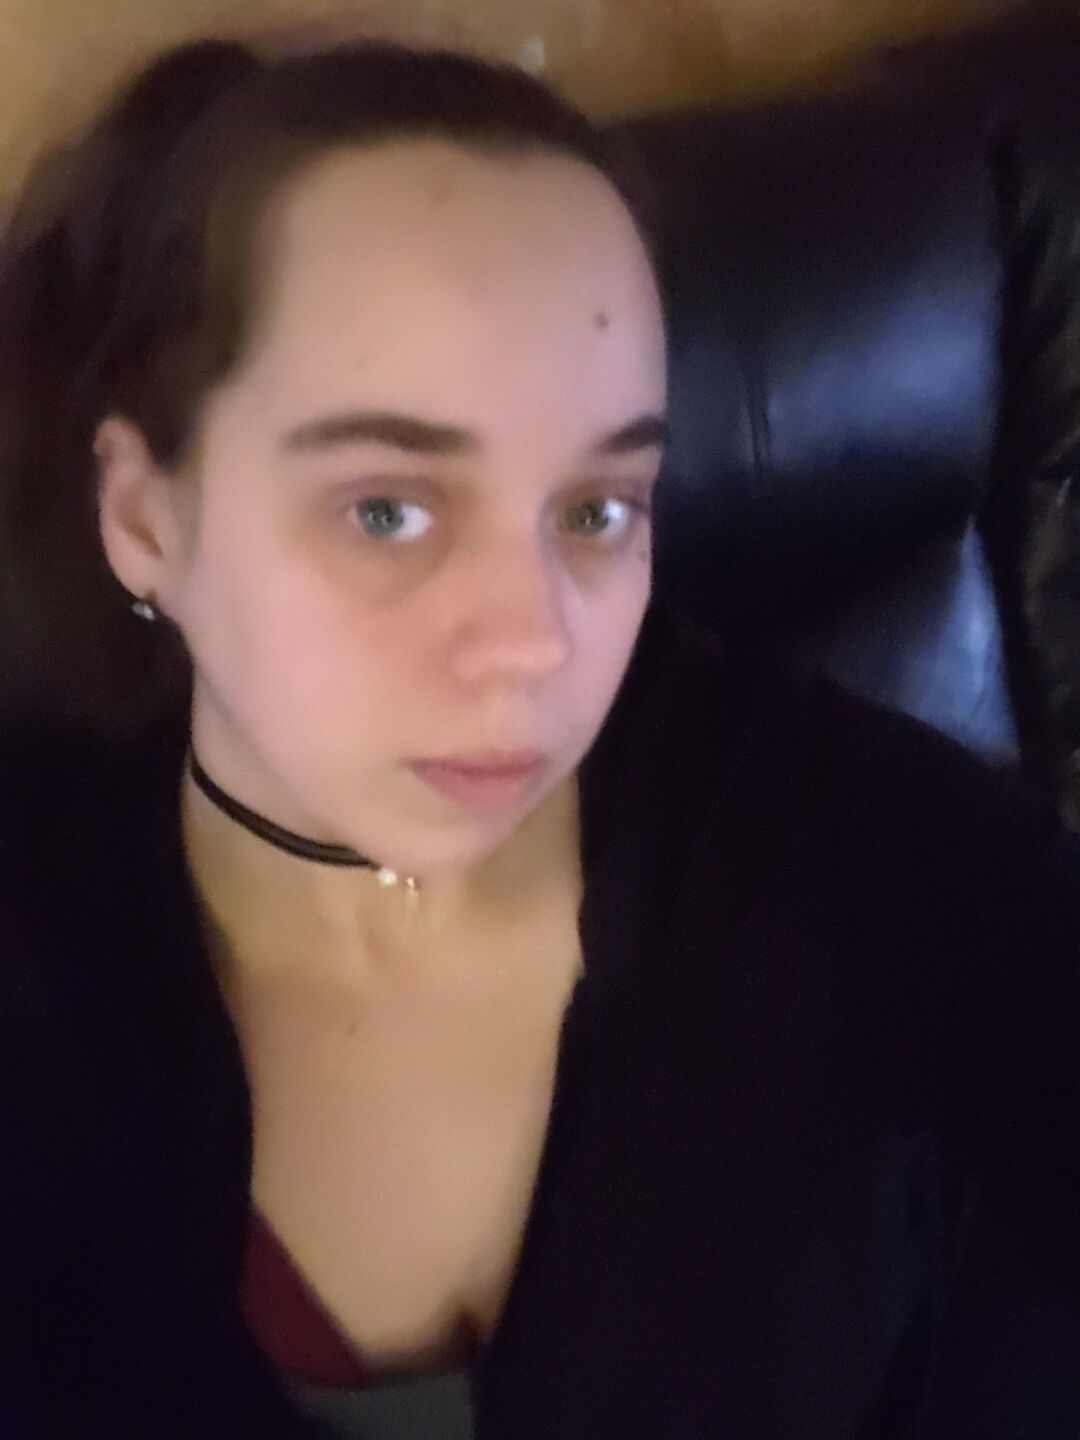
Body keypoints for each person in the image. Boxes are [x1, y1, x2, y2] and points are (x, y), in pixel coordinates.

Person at [0, 36, 1078, 1440]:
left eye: (596, 510)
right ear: (145, 518)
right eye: (387, 510)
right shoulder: (39, 965)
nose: (537, 643)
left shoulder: (857, 844)